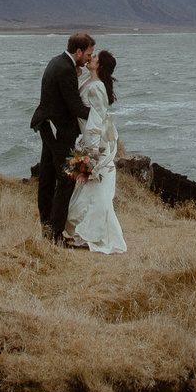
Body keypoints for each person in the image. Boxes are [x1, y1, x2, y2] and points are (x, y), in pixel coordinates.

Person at [30, 31, 95, 244]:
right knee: (67, 179)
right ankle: (55, 234)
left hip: (47, 127)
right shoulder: (66, 70)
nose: (88, 59)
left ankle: (47, 228)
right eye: (88, 54)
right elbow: (74, 106)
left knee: (48, 178)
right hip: (59, 132)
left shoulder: (57, 62)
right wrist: (98, 116)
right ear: (78, 52)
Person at [66, 47, 126, 254]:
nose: (90, 58)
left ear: (99, 65)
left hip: (94, 143)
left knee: (92, 186)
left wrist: (92, 153)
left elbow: (96, 122)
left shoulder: (97, 87)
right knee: (84, 187)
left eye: (95, 57)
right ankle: (80, 232)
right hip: (88, 141)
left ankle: (88, 233)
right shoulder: (91, 83)